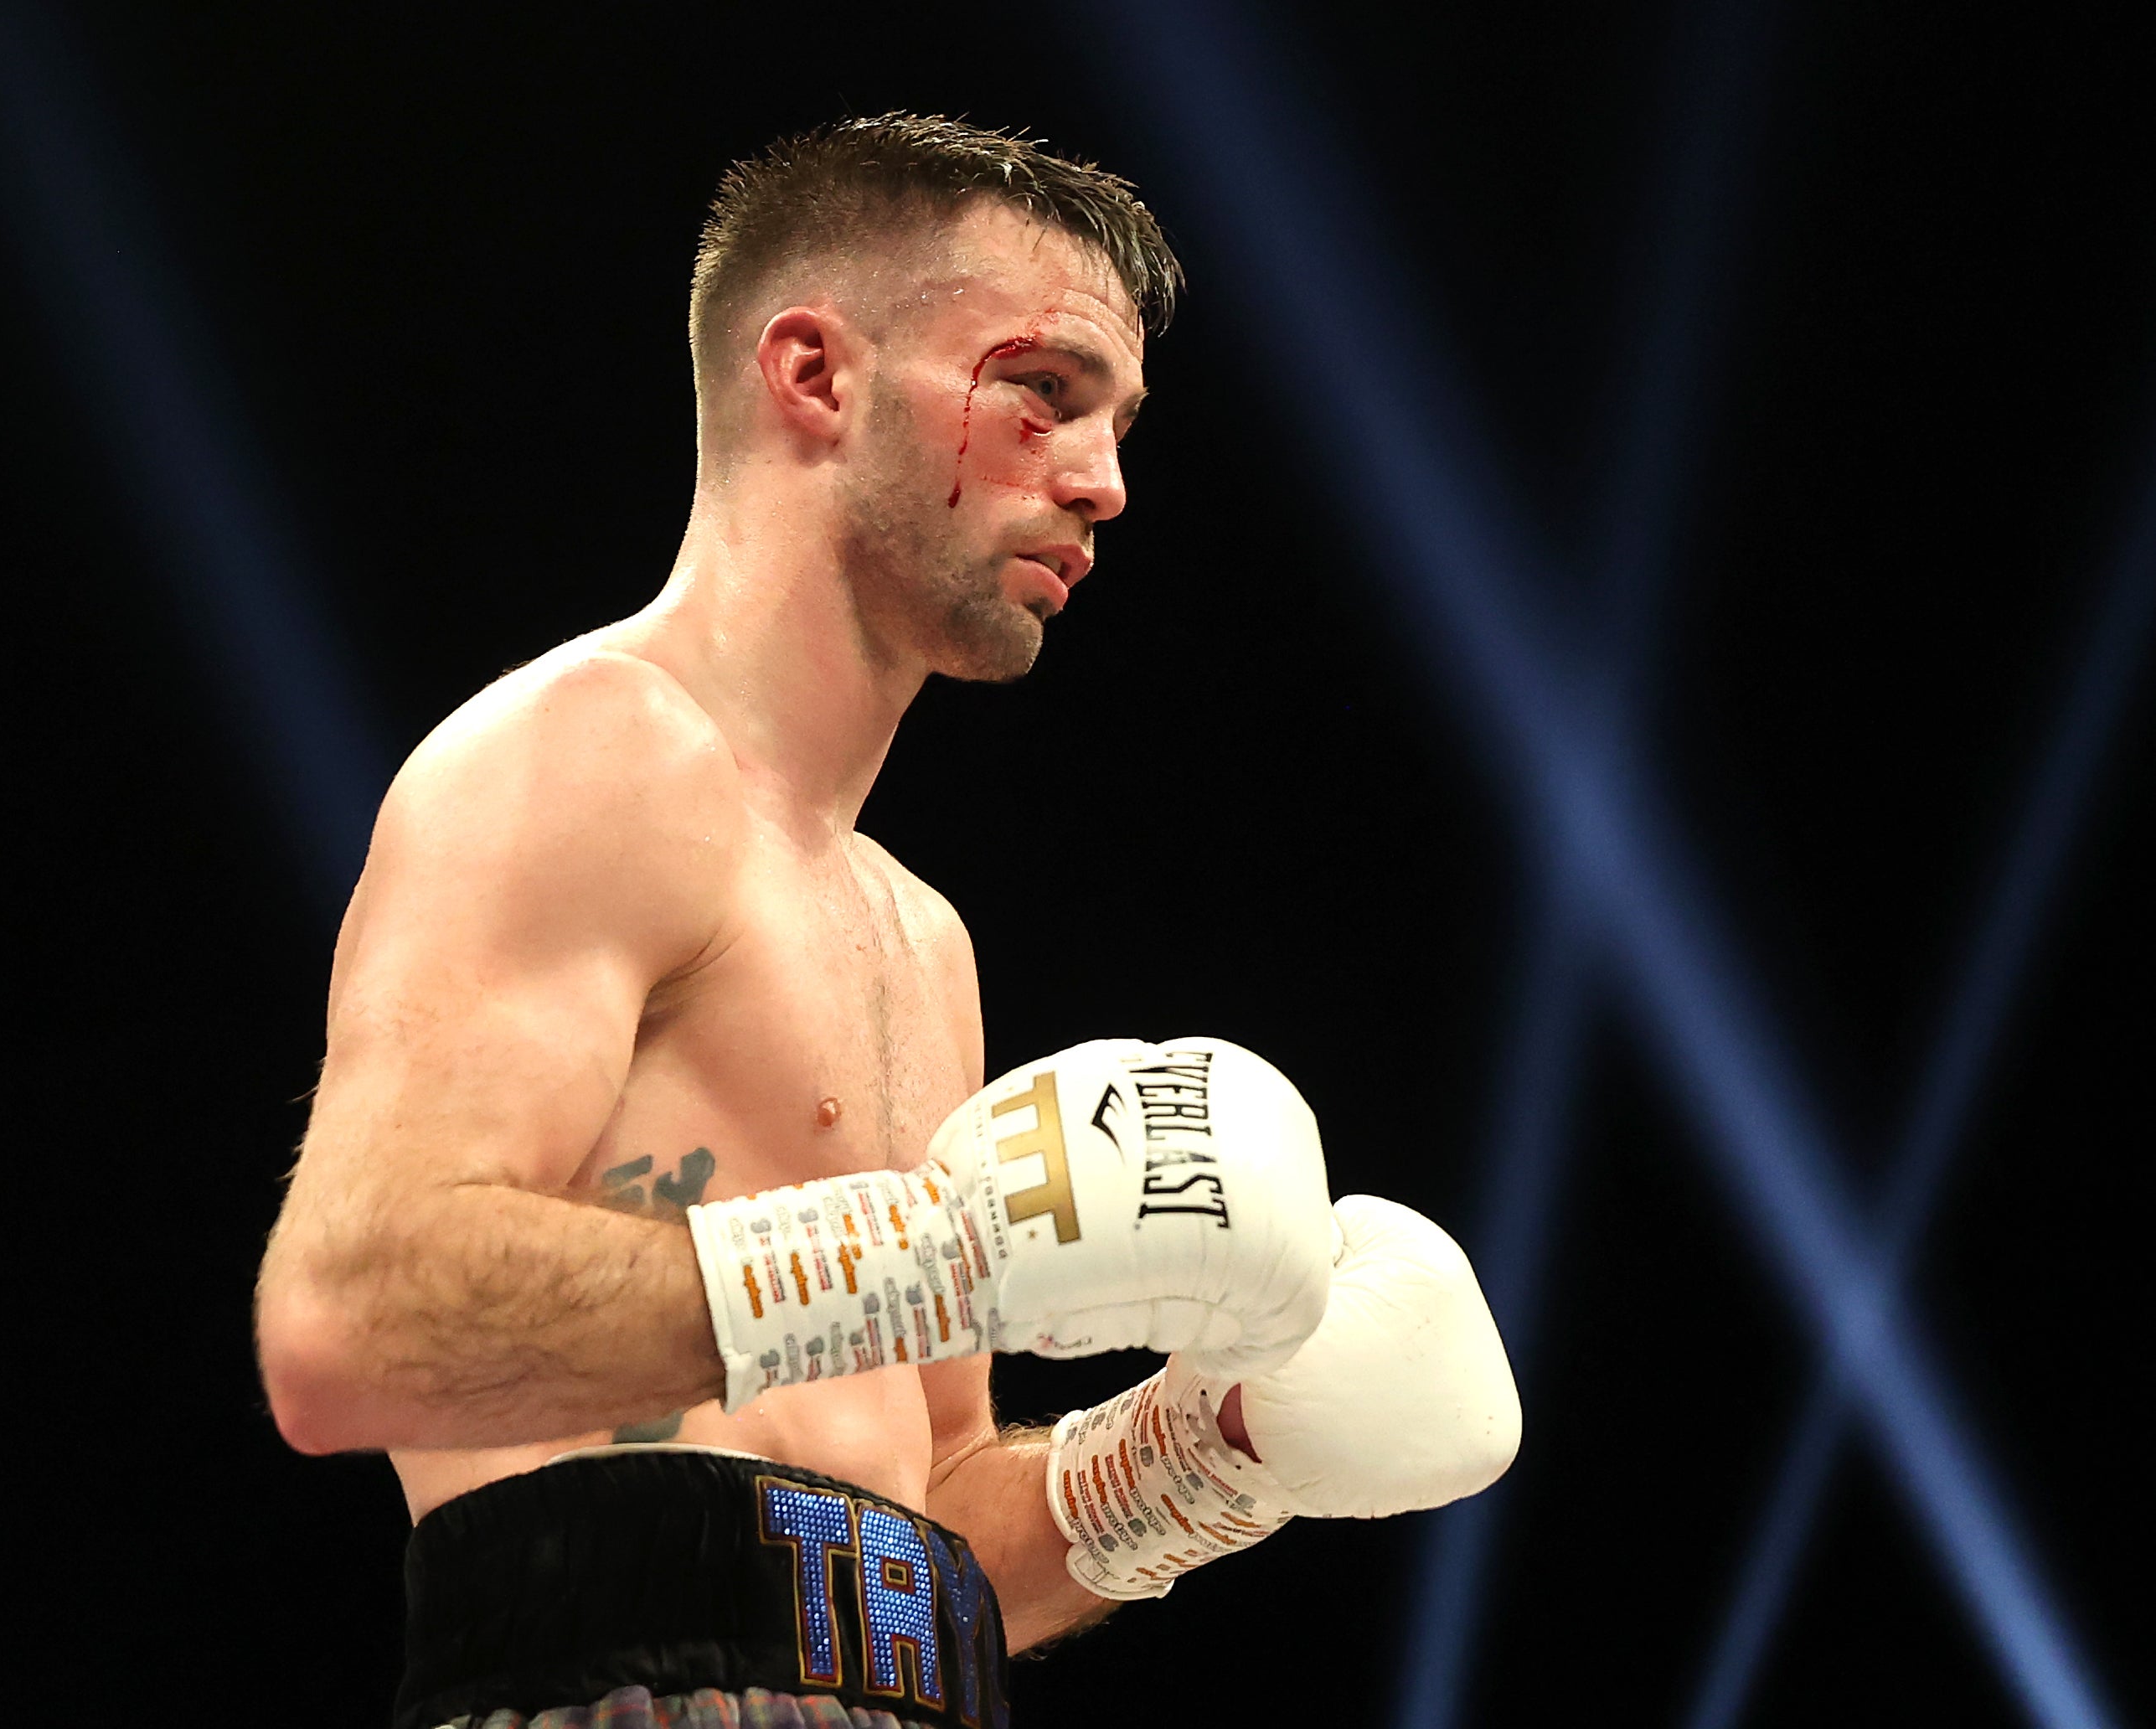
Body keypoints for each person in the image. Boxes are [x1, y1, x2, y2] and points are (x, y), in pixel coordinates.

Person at [254, 114, 1520, 1729]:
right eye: (1045, 393)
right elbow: (351, 1323)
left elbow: (920, 1543)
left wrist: (1205, 1452)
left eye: (1122, 422)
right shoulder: (589, 753)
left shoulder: (918, 940)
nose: (1107, 481)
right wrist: (939, 1257)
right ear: (813, 373)